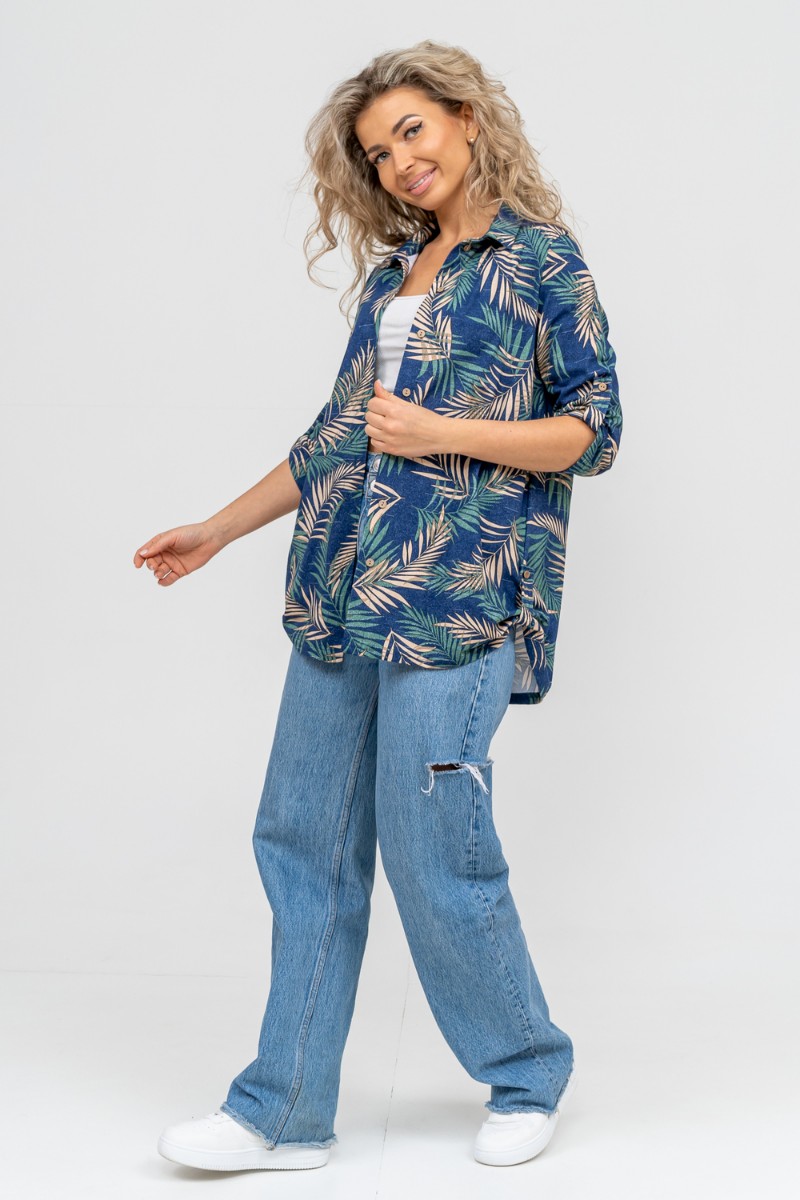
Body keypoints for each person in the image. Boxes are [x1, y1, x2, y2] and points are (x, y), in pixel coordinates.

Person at [135, 40, 622, 1173]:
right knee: (299, 837)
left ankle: (526, 1072)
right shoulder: (390, 277)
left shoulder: (540, 259)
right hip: (338, 595)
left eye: (411, 130)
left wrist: (445, 431)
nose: (399, 161)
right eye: (376, 151)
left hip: (456, 599)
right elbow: (336, 440)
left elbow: (593, 430)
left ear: (464, 118)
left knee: (432, 841)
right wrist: (217, 529)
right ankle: (285, 1110)